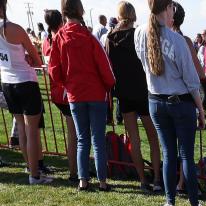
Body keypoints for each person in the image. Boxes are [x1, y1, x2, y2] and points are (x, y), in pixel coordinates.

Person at [135, 0, 205, 206]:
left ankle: (170, 202)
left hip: (155, 101)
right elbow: (192, 81)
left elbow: (143, 62)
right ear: (168, 8)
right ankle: (194, 204)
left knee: (168, 153)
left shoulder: (139, 34)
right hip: (180, 102)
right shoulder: (177, 40)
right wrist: (201, 109)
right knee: (186, 155)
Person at [49, 0, 116, 192]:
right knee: (97, 139)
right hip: (95, 94)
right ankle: (102, 182)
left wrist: (66, 84)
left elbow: (53, 69)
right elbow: (105, 67)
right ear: (80, 11)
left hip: (75, 95)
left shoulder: (60, 38)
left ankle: (83, 181)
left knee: (82, 139)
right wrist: (109, 85)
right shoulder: (88, 36)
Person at [106, 1, 163, 194]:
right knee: (153, 138)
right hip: (143, 90)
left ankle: (142, 180)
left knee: (135, 140)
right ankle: (156, 178)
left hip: (124, 93)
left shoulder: (110, 38)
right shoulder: (139, 34)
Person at [0, 0, 49, 185]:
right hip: (25, 81)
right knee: (31, 130)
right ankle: (35, 175)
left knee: (21, 127)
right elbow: (36, 59)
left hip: (7, 83)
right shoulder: (15, 29)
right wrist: (29, 57)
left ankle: (31, 169)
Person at [41, 9, 77, 182]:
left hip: (56, 92)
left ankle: (76, 168)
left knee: (74, 133)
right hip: (64, 92)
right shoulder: (60, 39)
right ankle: (74, 172)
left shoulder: (45, 41)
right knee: (74, 134)